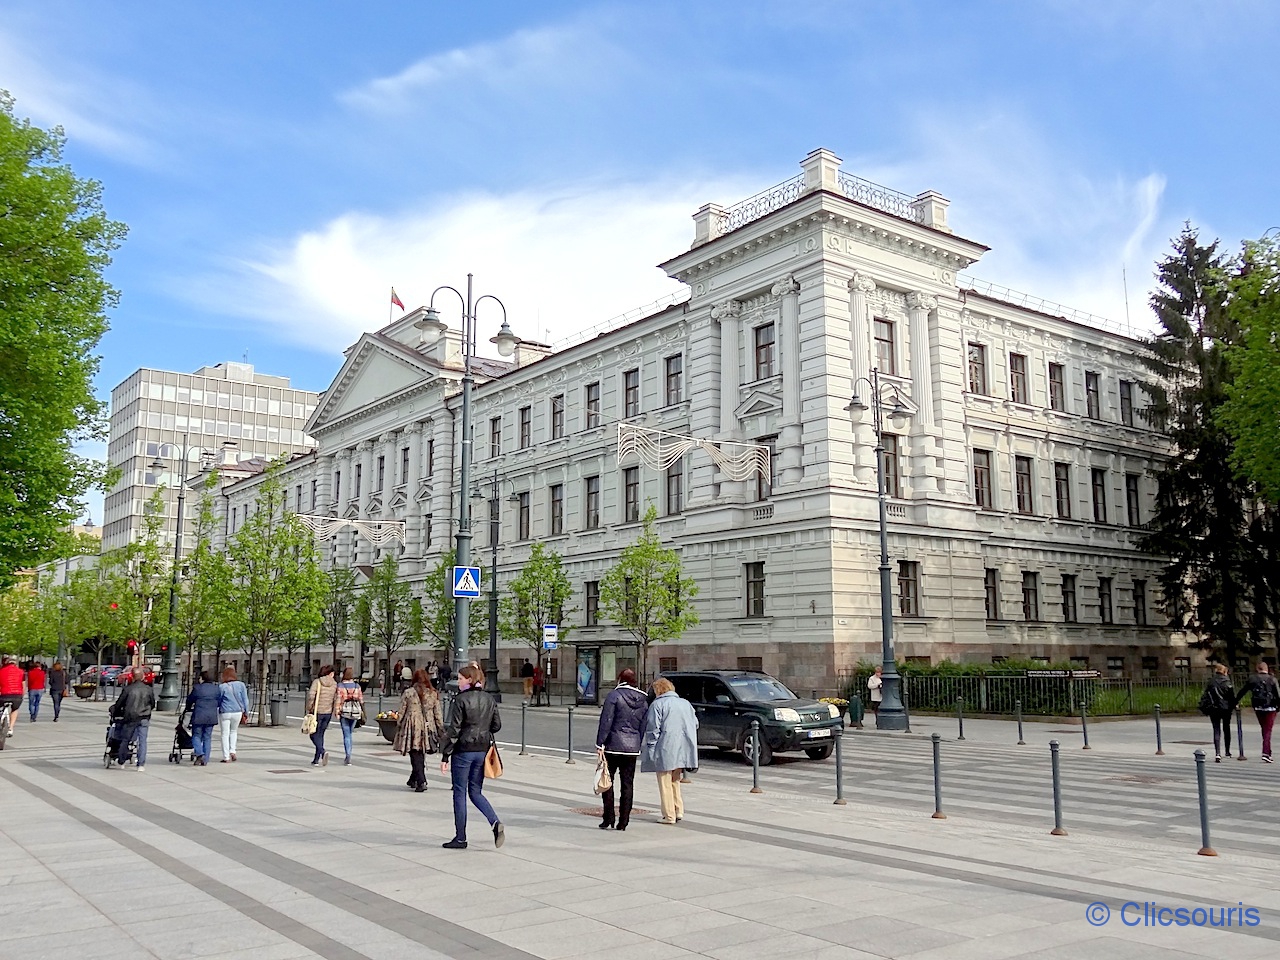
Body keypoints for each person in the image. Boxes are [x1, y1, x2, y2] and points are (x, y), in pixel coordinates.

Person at [439, 664, 504, 850]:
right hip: (481, 750)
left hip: (463, 750)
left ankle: (460, 838)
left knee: (459, 792)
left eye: (460, 679)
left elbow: (454, 729)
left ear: (469, 679)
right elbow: (497, 725)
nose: (458, 682)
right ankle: (494, 821)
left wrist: (445, 755)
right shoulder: (488, 698)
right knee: (476, 792)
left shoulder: (461, 700)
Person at [640, 677, 699, 825]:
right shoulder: (686, 703)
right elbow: (695, 724)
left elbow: (653, 730)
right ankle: (679, 810)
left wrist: (651, 750)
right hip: (684, 747)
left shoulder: (658, 705)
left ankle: (669, 815)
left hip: (665, 748)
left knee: (664, 781)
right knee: (675, 780)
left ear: (658, 690)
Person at [595, 668, 648, 831]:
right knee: (627, 784)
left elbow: (607, 721)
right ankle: (624, 821)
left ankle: (608, 817)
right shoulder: (644, 699)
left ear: (620, 679)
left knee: (607, 781)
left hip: (613, 745)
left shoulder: (614, 696)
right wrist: (637, 742)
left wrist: (600, 743)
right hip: (632, 748)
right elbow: (643, 725)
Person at [395, 669, 444, 792]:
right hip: (428, 725)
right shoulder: (433, 693)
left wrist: (399, 723)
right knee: (419, 753)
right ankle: (413, 779)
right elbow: (438, 714)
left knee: (415, 752)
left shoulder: (408, 693)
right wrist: (440, 728)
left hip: (412, 725)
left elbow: (401, 711)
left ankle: (421, 780)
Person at [112, 668, 156, 770]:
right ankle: (141, 764)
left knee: (126, 739)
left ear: (132, 676)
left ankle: (122, 761)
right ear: (143, 676)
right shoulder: (148, 689)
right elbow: (152, 703)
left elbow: (119, 703)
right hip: (144, 717)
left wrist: (116, 713)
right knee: (142, 741)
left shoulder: (128, 689)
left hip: (130, 717)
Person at [1241, 661, 1280, 762]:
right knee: (1268, 730)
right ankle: (1266, 753)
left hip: (1258, 707)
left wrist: (1234, 701)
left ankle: (1268, 751)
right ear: (1266, 669)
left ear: (1258, 669)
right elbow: (1278, 694)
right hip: (1271, 707)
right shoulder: (1272, 679)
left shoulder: (1253, 679)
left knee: (1264, 728)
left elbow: (1243, 691)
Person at [1198, 664, 1237, 762]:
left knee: (1216, 729)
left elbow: (1206, 694)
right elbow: (1231, 696)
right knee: (1226, 728)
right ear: (1225, 671)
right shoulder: (1227, 682)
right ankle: (1227, 751)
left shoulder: (1211, 682)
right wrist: (1234, 705)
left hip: (1213, 708)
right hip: (1225, 708)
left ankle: (1217, 753)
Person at [186, 671, 221, 765]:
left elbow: (190, 700)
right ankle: (206, 759)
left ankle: (199, 753)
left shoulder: (197, 688)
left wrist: (188, 708)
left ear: (202, 678)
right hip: (211, 716)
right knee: (207, 737)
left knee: (196, 735)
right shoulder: (216, 689)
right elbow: (219, 700)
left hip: (199, 715)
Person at [306, 665, 338, 766]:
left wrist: (310, 706)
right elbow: (335, 698)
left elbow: (311, 695)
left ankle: (322, 751)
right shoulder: (334, 684)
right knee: (321, 734)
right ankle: (316, 759)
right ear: (330, 673)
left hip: (317, 712)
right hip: (327, 713)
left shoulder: (317, 682)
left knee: (313, 734)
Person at [218, 667, 250, 763]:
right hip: (238, 712)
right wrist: (246, 712)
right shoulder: (241, 685)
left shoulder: (222, 687)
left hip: (225, 712)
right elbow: (245, 700)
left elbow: (219, 700)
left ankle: (226, 756)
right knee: (234, 731)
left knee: (224, 734)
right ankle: (233, 751)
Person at [334, 667, 364, 765]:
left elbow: (338, 699)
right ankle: (349, 754)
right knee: (350, 733)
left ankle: (348, 755)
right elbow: (361, 700)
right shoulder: (357, 686)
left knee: (346, 734)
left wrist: (337, 711)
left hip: (345, 712)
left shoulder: (340, 686)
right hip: (355, 711)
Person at [0, 655, 22, 738]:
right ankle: (11, 728)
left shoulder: (1, 671)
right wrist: (22, 695)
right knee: (15, 709)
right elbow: (23, 685)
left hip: (4, 694)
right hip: (17, 695)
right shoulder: (20, 671)